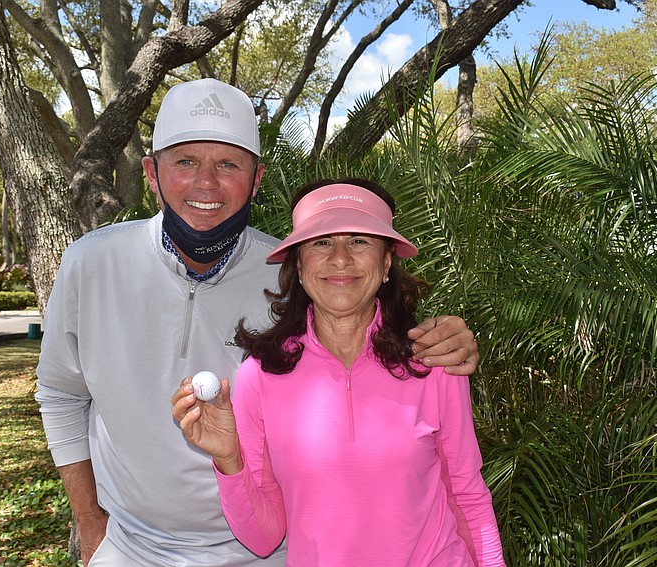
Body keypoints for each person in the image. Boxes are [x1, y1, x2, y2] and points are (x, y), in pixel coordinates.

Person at [35, 78, 480, 566]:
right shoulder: (91, 263)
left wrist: (448, 337)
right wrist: (89, 520)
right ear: (151, 172)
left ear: (257, 178)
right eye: (185, 161)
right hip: (131, 547)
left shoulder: (293, 275)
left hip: (269, 552)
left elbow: (365, 332)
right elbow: (61, 395)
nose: (207, 183)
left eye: (229, 164)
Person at [172, 179, 506, 566]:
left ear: (386, 263)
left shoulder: (433, 360)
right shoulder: (259, 376)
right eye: (321, 242)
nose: (341, 258)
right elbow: (263, 539)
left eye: (359, 241)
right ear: (299, 266)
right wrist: (229, 459)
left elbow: (466, 494)